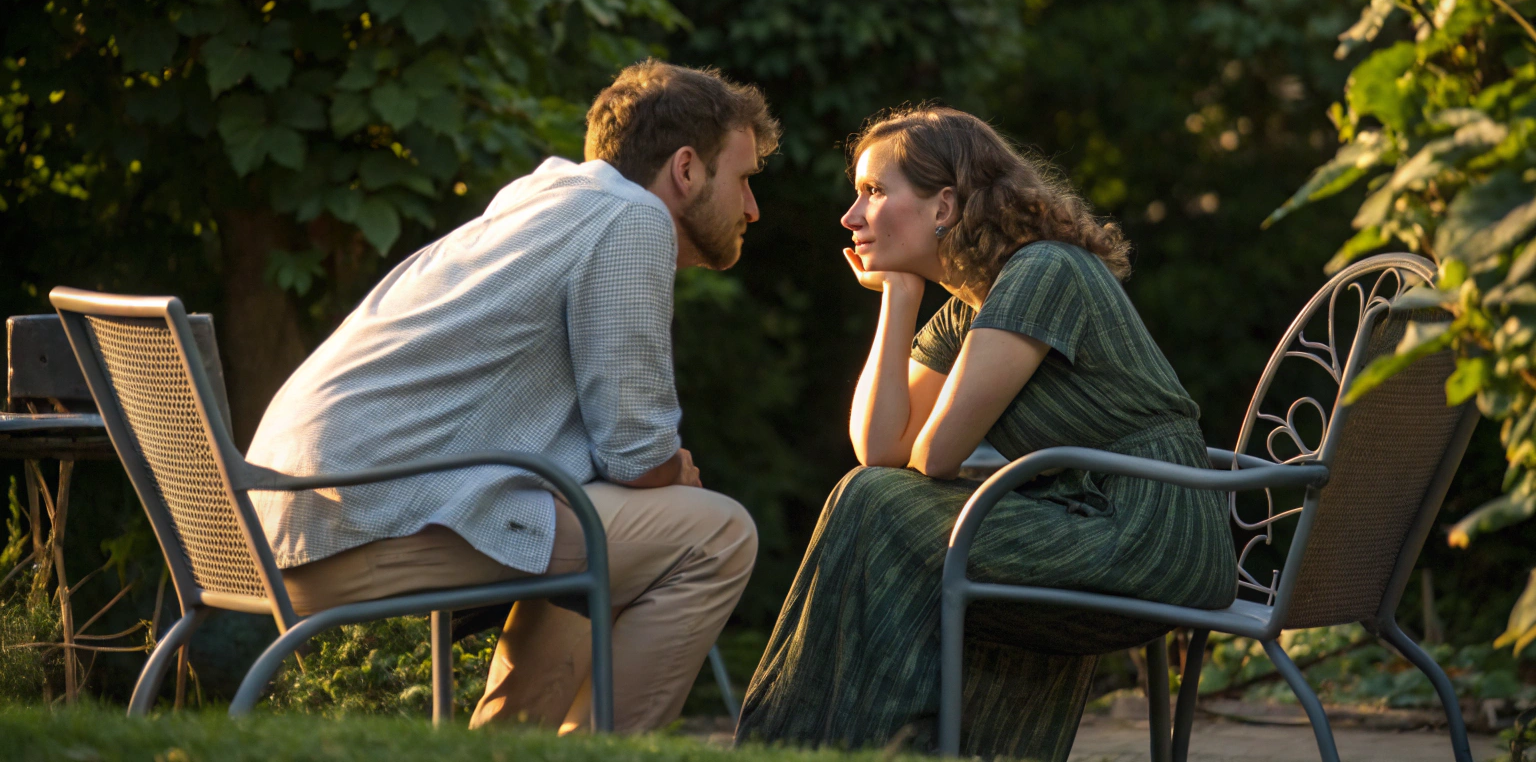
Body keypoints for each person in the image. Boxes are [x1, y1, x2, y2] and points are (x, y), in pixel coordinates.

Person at [244, 59, 780, 733]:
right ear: (687, 169)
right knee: (717, 534)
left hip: (284, 519)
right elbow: (637, 455)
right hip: (358, 524)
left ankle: (509, 746)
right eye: (744, 179)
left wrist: (652, 475)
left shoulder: (545, 202)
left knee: (615, 529)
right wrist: (676, 472)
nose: (752, 208)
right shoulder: (632, 217)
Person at [735, 106, 1236, 760]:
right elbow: (880, 449)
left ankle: (833, 745)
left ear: (944, 205)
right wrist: (898, 297)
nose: (851, 217)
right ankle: (845, 744)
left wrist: (914, 453)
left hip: (1154, 529)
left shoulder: (1043, 272)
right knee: (870, 492)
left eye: (874, 191)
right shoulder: (972, 307)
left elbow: (934, 455)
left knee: (876, 503)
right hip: (1091, 519)